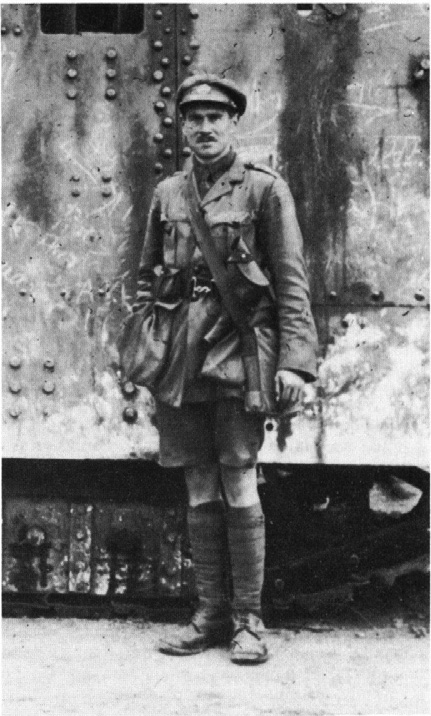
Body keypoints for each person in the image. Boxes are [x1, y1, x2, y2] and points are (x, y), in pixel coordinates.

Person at [133, 74, 318, 663]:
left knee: (238, 475)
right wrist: (147, 343)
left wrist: (295, 364)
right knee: (196, 479)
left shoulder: (264, 189)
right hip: (179, 358)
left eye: (216, 117)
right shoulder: (168, 193)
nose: (205, 127)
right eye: (195, 118)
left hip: (238, 352)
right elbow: (146, 276)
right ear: (183, 127)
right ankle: (210, 614)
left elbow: (290, 281)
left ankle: (248, 621)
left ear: (234, 122)